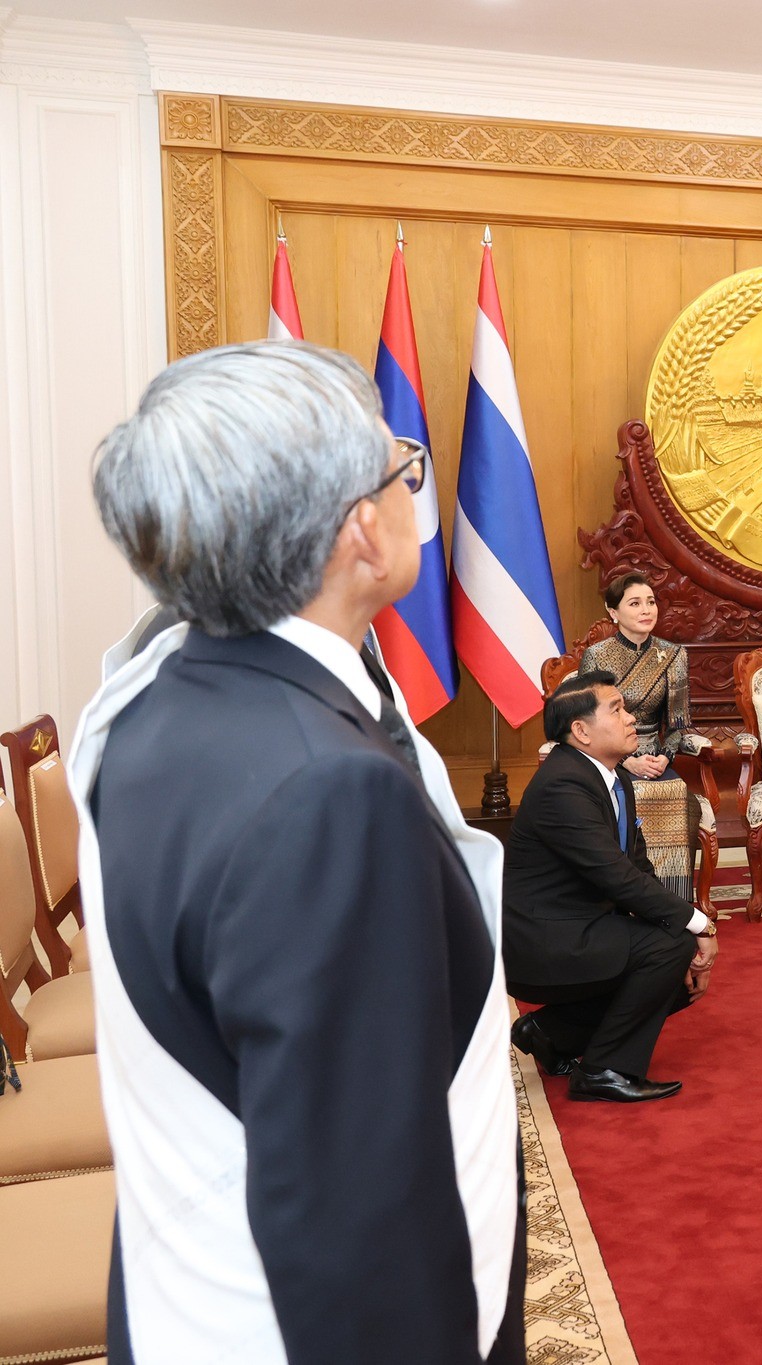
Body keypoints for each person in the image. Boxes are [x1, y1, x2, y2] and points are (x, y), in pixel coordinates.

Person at [74, 341, 521, 1362]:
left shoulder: (153, 693)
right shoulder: (327, 795)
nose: (413, 493)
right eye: (404, 469)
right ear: (360, 529)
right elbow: (364, 1226)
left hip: (188, 1286)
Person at [503, 672, 718, 1103]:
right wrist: (699, 925)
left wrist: (681, 923)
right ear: (581, 731)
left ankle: (549, 1033)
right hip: (542, 943)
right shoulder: (563, 785)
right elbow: (615, 876)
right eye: (616, 710)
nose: (631, 718)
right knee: (670, 949)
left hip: (581, 928)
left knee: (676, 958)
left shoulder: (611, 777)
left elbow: (637, 866)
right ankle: (604, 1070)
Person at [578, 572, 690, 779]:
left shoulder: (674, 654)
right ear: (614, 612)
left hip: (655, 761)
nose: (646, 610)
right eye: (635, 604)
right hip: (608, 759)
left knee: (679, 792)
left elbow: (678, 723)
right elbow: (587, 721)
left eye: (651, 602)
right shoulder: (595, 655)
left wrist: (664, 757)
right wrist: (627, 761)